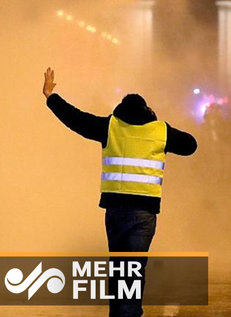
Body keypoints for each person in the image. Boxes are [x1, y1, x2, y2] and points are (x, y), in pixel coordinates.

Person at [42, 67, 197, 317]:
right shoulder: (160, 131)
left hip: (115, 212)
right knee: (134, 267)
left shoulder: (110, 127)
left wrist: (50, 96)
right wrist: (161, 124)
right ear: (147, 111)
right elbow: (191, 145)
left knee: (119, 267)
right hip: (145, 213)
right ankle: (129, 313)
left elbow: (76, 119)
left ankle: (122, 313)